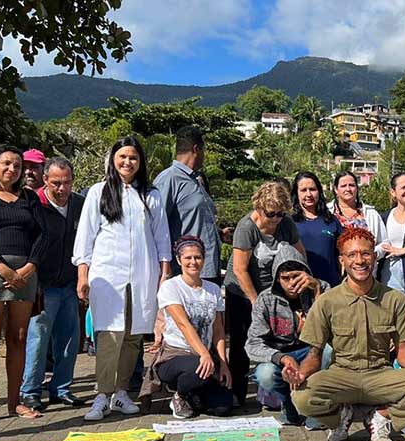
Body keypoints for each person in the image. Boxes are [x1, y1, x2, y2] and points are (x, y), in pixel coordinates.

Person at [291, 227, 405, 441]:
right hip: (342, 374)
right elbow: (315, 355)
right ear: (342, 260)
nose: (359, 260)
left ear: (375, 257)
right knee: (301, 397)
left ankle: (381, 417)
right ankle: (340, 418)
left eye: (366, 253)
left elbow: (404, 354)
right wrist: (300, 373)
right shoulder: (327, 301)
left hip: (381, 375)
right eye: (351, 255)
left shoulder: (395, 299)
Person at [74, 136, 173, 421]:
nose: (127, 162)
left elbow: (162, 237)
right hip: (107, 274)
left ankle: (120, 392)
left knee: (133, 336)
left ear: (140, 162)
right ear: (113, 161)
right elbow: (85, 236)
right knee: (110, 334)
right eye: (122, 157)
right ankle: (102, 394)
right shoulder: (98, 192)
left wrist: (164, 273)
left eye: (133, 157)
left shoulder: (150, 194)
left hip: (143, 273)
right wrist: (83, 273)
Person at [0, 145, 48, 425]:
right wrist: (0, 267)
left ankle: (14, 402)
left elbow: (43, 236)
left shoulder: (28, 198)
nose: (12, 170)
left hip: (25, 275)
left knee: (18, 338)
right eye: (6, 164)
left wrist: (29, 268)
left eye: (17, 165)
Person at [225, 181, 308, 405]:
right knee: (243, 342)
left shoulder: (286, 224)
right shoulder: (246, 227)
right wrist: (256, 302)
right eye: (271, 213)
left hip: (274, 292)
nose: (276, 219)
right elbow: (240, 270)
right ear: (260, 208)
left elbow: (300, 256)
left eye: (281, 213)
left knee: (279, 339)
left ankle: (275, 390)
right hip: (243, 291)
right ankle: (237, 394)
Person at [21, 157, 85, 411]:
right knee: (37, 340)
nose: (62, 189)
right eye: (56, 183)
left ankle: (61, 388)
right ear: (45, 180)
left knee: (70, 341)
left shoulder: (80, 204)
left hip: (70, 282)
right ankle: (30, 391)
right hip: (42, 284)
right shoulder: (33, 202)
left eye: (67, 183)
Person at [144, 236, 233, 418]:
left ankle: (195, 396)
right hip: (176, 355)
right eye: (188, 258)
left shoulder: (213, 289)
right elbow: (184, 325)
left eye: (198, 257)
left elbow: (218, 330)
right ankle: (179, 394)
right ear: (179, 260)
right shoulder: (170, 287)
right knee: (198, 367)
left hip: (204, 355)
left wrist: (223, 363)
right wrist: (205, 354)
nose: (193, 262)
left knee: (222, 407)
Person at [245, 248, 330, 427]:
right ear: (277, 278)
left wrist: (316, 292)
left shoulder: (323, 288)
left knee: (330, 350)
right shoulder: (266, 300)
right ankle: (288, 404)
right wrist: (281, 357)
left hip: (313, 351)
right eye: (286, 278)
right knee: (264, 373)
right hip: (282, 355)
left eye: (296, 276)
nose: (292, 283)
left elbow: (331, 327)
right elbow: (253, 343)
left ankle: (315, 405)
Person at [154, 126, 220, 282]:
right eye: (204, 151)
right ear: (196, 149)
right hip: (185, 274)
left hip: (208, 270)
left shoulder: (197, 180)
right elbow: (156, 225)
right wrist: (165, 269)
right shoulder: (169, 179)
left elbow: (194, 220)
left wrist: (219, 233)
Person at [291, 171, 343, 286]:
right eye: (303, 190)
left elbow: (342, 253)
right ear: (296, 193)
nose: (308, 194)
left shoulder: (331, 220)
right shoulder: (289, 222)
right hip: (300, 286)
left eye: (312, 189)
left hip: (330, 285)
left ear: (319, 191)